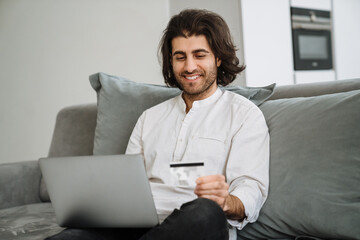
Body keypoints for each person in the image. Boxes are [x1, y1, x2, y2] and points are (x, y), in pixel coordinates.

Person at [47, 9, 269, 240]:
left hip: (194, 224)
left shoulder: (244, 114)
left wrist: (226, 201)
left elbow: (251, 189)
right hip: (135, 225)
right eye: (180, 57)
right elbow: (126, 188)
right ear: (171, 61)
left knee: (205, 212)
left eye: (200, 55)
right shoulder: (149, 118)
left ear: (218, 58)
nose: (189, 67)